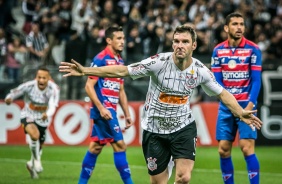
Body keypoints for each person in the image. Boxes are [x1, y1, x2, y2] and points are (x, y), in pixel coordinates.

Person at [59, 25, 263, 184]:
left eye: (185, 41)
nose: (179, 45)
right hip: (154, 130)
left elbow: (223, 94)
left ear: (193, 45)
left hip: (183, 127)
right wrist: (86, 70)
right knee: (158, 181)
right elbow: (122, 71)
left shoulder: (201, 71)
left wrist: (240, 112)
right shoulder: (158, 63)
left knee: (184, 177)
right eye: (176, 41)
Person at [76, 26, 134, 184]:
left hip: (111, 111)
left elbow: (120, 90)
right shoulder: (101, 58)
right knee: (120, 146)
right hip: (104, 111)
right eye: (119, 38)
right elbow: (88, 86)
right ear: (109, 40)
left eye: (123, 38)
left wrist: (127, 114)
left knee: (95, 147)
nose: (122, 42)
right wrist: (101, 108)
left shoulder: (120, 61)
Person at [211, 12, 262, 184]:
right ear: (226, 28)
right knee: (223, 150)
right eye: (234, 24)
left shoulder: (253, 49)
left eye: (241, 24)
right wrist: (228, 102)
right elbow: (217, 83)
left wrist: (249, 106)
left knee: (247, 148)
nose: (239, 27)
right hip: (226, 106)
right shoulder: (218, 51)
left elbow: (256, 81)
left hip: (247, 106)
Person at [4, 66, 60, 179]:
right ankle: (37, 160)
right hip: (28, 115)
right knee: (34, 135)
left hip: (43, 119)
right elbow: (14, 92)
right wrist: (8, 98)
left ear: (49, 78)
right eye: (39, 77)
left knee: (39, 146)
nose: (41, 80)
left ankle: (31, 165)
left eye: (44, 78)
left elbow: (53, 105)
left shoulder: (54, 89)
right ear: (36, 77)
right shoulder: (29, 86)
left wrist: (47, 114)